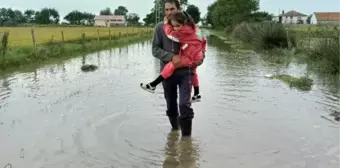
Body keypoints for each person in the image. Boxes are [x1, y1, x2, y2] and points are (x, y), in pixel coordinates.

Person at [146, 0, 202, 136]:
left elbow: (199, 45)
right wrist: (171, 56)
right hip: (167, 72)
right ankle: (175, 132)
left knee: (184, 104)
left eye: (172, 9)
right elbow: (155, 49)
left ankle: (186, 141)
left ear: (179, 9)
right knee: (171, 105)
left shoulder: (191, 26)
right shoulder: (160, 28)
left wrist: (200, 59)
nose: (169, 12)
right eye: (167, 10)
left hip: (186, 71)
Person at [140, 11, 206, 103]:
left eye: (177, 25)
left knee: (172, 65)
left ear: (184, 22)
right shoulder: (195, 28)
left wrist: (167, 24)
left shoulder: (182, 32)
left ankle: (153, 84)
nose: (175, 28)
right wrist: (202, 52)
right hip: (197, 56)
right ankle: (197, 94)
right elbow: (204, 40)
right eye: (174, 26)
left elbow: (169, 34)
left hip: (190, 57)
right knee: (194, 72)